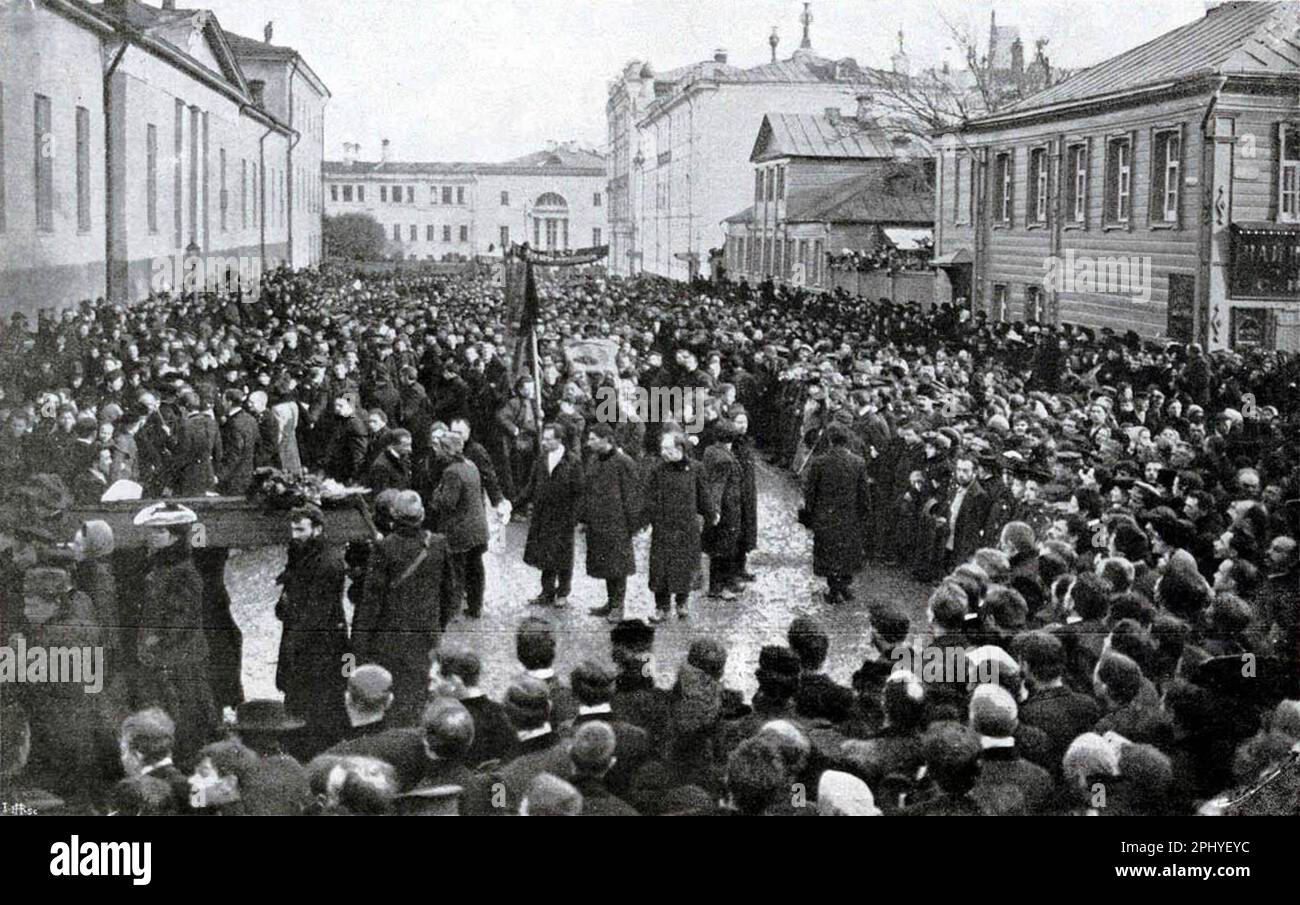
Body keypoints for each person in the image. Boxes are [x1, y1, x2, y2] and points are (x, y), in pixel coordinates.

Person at [355, 491, 457, 725]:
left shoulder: (384, 549)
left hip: (389, 642)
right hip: (426, 638)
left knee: (392, 703)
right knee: (419, 698)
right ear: (421, 515)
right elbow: (450, 594)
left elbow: (370, 604)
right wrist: (436, 627)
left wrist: (357, 649)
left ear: (393, 516)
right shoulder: (438, 545)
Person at [132, 502, 217, 765]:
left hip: (180, 661)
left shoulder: (183, 571)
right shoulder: (163, 566)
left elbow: (183, 617)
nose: (152, 536)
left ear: (174, 536)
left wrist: (157, 639)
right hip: (168, 659)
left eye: (159, 531)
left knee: (184, 720)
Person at [275, 505, 351, 756]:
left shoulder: (328, 562)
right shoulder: (301, 553)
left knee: (319, 703)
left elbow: (316, 613)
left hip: (320, 645)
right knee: (302, 699)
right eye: (292, 529)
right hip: (303, 638)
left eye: (300, 530)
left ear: (317, 529)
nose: (295, 535)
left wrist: (292, 646)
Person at [641, 431, 714, 622]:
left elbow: (704, 495)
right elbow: (648, 496)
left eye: (667, 448)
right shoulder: (657, 470)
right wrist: (646, 519)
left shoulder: (696, 468)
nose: (663, 452)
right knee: (660, 568)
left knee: (684, 566)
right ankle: (661, 607)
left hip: (686, 528)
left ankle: (682, 602)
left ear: (680, 448)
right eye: (662, 448)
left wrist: (711, 514)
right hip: (663, 528)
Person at [802, 423, 869, 605]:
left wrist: (810, 514)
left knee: (829, 552)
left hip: (826, 516)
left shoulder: (819, 462)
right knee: (847, 551)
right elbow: (863, 493)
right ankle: (844, 586)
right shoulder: (858, 462)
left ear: (830, 441)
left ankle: (834, 589)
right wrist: (863, 514)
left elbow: (811, 492)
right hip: (849, 516)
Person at [426, 430, 489, 620]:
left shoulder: (451, 472)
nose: (436, 451)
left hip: (460, 531)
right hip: (478, 528)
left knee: (456, 572)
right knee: (476, 569)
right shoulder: (471, 465)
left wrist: (435, 495)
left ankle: (452, 611)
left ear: (447, 450)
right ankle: (475, 607)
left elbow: (447, 503)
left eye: (439, 448)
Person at [580, 424, 640, 620]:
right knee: (606, 564)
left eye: (593, 439)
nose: (589, 443)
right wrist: (584, 518)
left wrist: (632, 525)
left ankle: (618, 606)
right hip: (598, 523)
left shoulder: (623, 462)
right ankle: (610, 601)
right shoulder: (594, 460)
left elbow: (631, 496)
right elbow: (587, 490)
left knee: (618, 566)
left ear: (606, 439)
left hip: (618, 524)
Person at [521, 423, 583, 607]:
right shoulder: (541, 460)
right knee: (545, 554)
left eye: (548, 439)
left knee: (564, 556)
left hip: (564, 516)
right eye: (543, 438)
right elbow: (531, 487)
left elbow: (579, 492)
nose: (544, 442)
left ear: (559, 440)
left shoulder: (572, 462)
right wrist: (512, 503)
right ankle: (546, 591)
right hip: (543, 515)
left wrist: (574, 517)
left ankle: (563, 592)